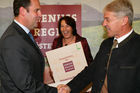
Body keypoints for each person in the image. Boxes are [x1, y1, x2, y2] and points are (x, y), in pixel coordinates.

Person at [57, 0, 140, 93]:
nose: (103, 24)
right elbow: (91, 71)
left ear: (124, 20)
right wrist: (69, 87)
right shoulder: (106, 44)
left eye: (107, 19)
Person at [0, 0, 57, 93]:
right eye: (36, 10)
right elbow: (26, 84)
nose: (40, 14)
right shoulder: (12, 39)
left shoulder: (22, 34)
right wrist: (55, 91)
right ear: (23, 11)